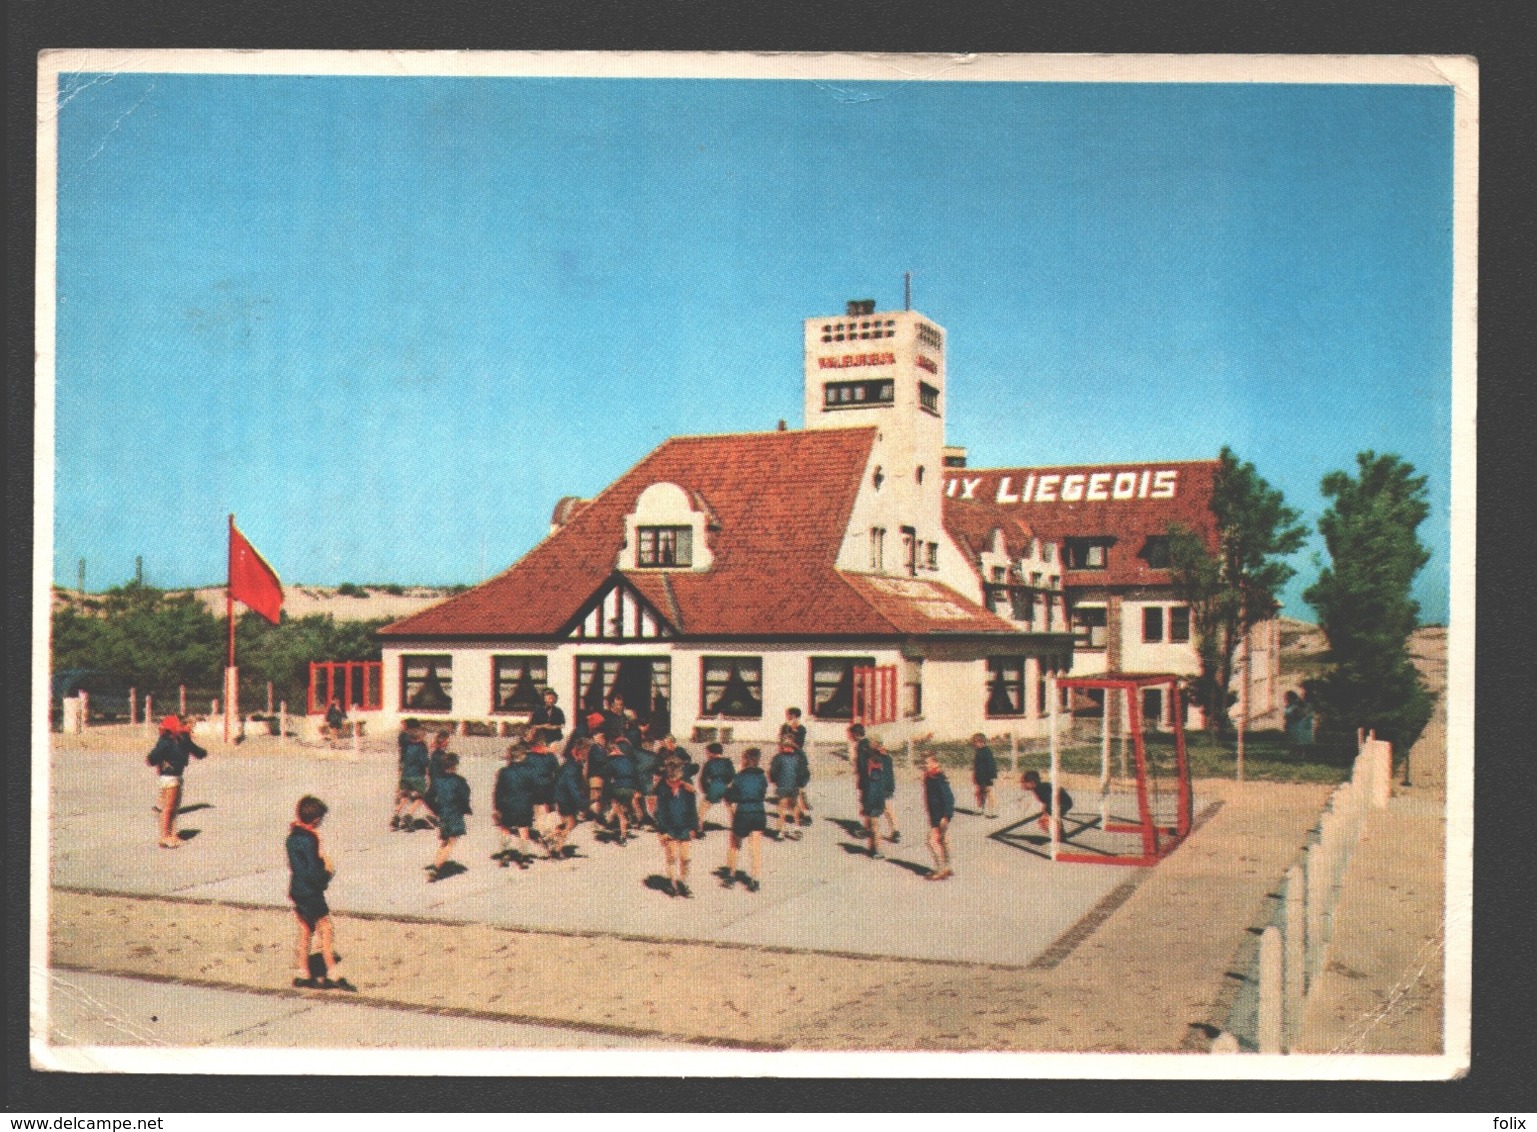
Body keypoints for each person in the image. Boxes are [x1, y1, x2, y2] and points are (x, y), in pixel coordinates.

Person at [286, 794, 355, 990]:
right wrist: (327, 872)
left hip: (297, 890)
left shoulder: (291, 837)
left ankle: (302, 971)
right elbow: (312, 871)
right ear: (316, 820)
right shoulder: (310, 839)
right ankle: (332, 972)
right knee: (326, 928)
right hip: (311, 892)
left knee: (305, 929)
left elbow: (299, 867)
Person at [146, 714, 206, 848]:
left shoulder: (179, 739)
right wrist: (156, 761)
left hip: (175, 776)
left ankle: (172, 834)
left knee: (173, 808)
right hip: (170, 777)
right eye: (186, 725)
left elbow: (194, 750)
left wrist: (202, 753)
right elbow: (151, 758)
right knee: (169, 808)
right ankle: (165, 836)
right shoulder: (168, 741)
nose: (189, 729)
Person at [722, 748, 768, 892]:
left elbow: (733, 796)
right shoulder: (762, 777)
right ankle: (754, 879)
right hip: (759, 813)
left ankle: (731, 875)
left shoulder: (739, 777)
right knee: (755, 848)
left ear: (745, 760)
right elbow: (761, 792)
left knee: (735, 845)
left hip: (743, 813)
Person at [652, 756, 700, 897]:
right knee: (672, 856)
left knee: (685, 858)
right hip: (669, 827)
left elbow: (692, 809)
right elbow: (659, 812)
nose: (674, 780)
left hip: (684, 826)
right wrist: (662, 831)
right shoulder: (661, 789)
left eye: (677, 776)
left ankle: (684, 883)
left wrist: (694, 827)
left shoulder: (687, 788)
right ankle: (673, 885)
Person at [493, 743, 540, 868]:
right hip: (525, 804)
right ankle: (523, 857)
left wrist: (497, 807)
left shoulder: (503, 772)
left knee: (505, 828)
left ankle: (504, 854)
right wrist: (535, 802)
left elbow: (498, 791)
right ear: (522, 756)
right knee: (523, 829)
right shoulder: (530, 771)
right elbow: (535, 788)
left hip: (507, 805)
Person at [426, 752, 471, 882]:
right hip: (455, 814)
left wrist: (436, 810)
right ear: (455, 766)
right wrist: (465, 808)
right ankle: (436, 868)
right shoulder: (459, 781)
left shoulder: (437, 781)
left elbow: (428, 797)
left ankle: (437, 862)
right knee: (451, 842)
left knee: (445, 840)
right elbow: (465, 797)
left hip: (442, 813)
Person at [548, 739, 590, 858]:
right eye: (586, 753)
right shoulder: (573, 768)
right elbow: (573, 788)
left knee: (566, 823)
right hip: (564, 798)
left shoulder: (570, 764)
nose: (587, 757)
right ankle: (556, 847)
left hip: (560, 796)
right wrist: (583, 803)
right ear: (579, 752)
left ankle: (552, 837)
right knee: (571, 823)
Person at [921, 753, 956, 880]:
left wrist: (946, 816)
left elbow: (949, 798)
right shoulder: (930, 777)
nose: (926, 766)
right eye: (924, 763)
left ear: (936, 763)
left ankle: (940, 869)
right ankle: (947, 867)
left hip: (940, 816)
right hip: (936, 815)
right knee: (943, 840)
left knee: (931, 841)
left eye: (928, 763)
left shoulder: (938, 778)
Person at [856, 737, 891, 859]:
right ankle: (873, 847)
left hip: (871, 796)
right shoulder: (884, 760)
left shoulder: (865, 762)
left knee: (874, 824)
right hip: (878, 795)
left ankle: (877, 849)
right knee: (872, 822)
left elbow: (860, 770)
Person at [392, 722, 430, 831]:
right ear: (419, 738)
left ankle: (396, 816)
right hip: (417, 775)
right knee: (419, 797)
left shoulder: (406, 747)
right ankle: (408, 816)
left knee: (404, 796)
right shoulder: (421, 748)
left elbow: (402, 761)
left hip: (405, 775)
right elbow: (424, 762)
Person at [604, 736, 639, 844]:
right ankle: (611, 819)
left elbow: (607, 778)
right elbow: (635, 775)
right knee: (622, 806)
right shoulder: (629, 761)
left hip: (617, 789)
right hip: (630, 789)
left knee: (619, 813)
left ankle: (622, 835)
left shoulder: (610, 762)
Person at [1021, 769, 1074, 839]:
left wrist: (1046, 809)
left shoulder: (1040, 790)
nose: (1022, 785)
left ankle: (1060, 835)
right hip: (1064, 802)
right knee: (1048, 813)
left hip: (1064, 803)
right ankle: (1060, 834)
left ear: (1032, 783)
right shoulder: (1041, 786)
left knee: (1047, 815)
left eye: (1023, 782)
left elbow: (1052, 798)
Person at [525, 736, 561, 838]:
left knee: (537, 809)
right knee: (550, 809)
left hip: (533, 788)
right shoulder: (550, 757)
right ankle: (552, 830)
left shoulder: (527, 757)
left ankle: (539, 831)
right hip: (548, 786)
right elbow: (558, 773)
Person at [696, 741, 734, 836]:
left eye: (707, 752)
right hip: (726, 786)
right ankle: (735, 827)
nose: (706, 754)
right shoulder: (728, 762)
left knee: (702, 809)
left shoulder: (709, 763)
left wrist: (706, 790)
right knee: (731, 808)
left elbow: (703, 779)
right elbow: (732, 775)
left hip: (714, 786)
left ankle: (698, 829)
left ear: (712, 753)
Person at [769, 737, 802, 840]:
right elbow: (801, 772)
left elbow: (773, 772)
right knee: (794, 806)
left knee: (782, 807)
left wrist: (774, 781)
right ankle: (796, 827)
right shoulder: (797, 758)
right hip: (794, 785)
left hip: (782, 785)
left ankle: (782, 831)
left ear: (783, 747)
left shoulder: (778, 758)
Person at [970, 732, 999, 818]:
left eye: (978, 742)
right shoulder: (978, 751)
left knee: (989, 792)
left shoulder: (987, 751)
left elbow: (992, 765)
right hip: (979, 776)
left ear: (982, 742)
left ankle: (992, 812)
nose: (976, 744)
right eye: (975, 742)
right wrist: (974, 776)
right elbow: (976, 766)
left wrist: (992, 776)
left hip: (986, 776)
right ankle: (980, 809)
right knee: (979, 793)